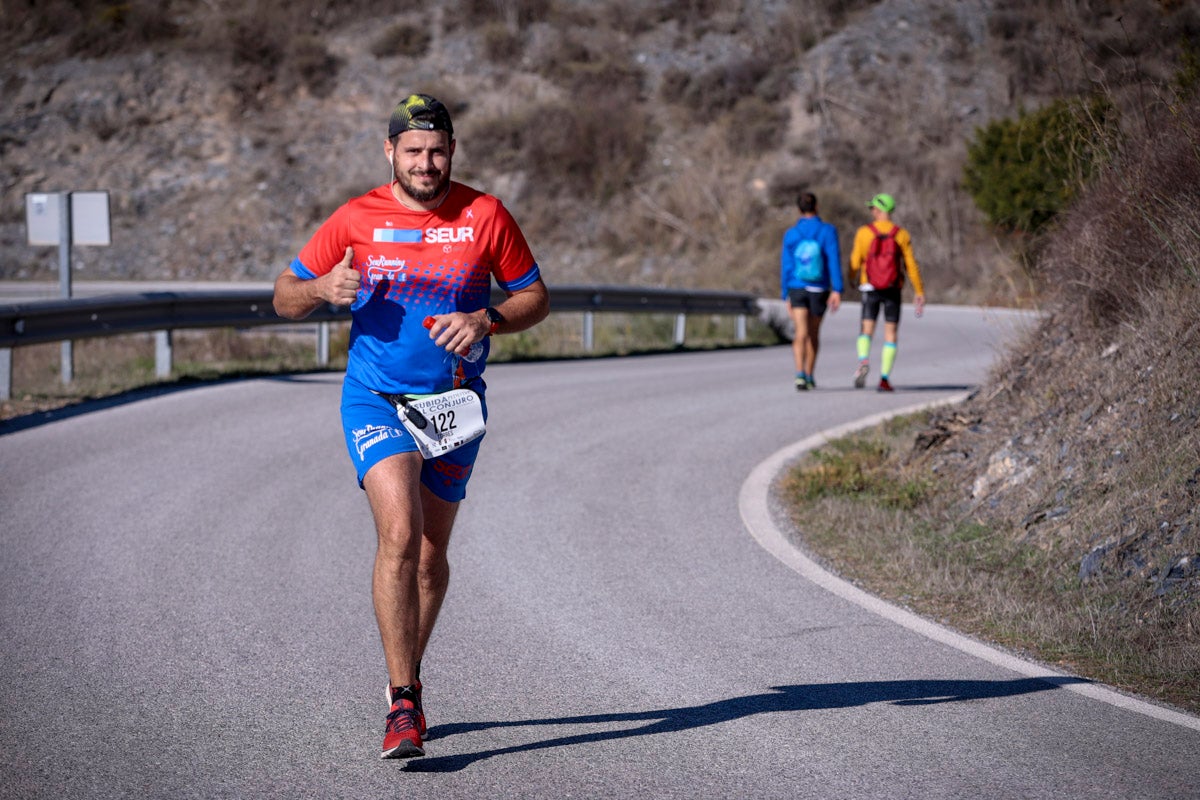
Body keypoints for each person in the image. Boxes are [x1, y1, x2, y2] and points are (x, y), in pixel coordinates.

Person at [272, 93, 550, 760]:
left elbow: (535, 295)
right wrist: (319, 291)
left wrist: (490, 319)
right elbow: (284, 294)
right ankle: (404, 703)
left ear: (452, 151)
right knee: (400, 532)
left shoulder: (485, 214)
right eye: (414, 151)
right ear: (389, 151)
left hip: (454, 404)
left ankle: (406, 677)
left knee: (430, 558)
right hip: (375, 397)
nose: (427, 163)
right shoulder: (356, 217)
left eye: (438, 150)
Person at [849, 193, 925, 392]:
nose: (872, 211)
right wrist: (919, 290)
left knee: (866, 329)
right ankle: (884, 379)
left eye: (873, 208)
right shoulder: (901, 234)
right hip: (893, 288)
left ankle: (863, 361)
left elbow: (855, 261)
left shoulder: (864, 232)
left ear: (879, 210)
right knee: (890, 334)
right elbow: (910, 265)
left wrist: (851, 278)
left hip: (870, 287)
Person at [779, 191, 842, 390]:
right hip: (819, 288)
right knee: (813, 334)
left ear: (798, 209)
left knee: (800, 333)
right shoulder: (827, 231)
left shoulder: (791, 234)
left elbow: (786, 265)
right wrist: (837, 289)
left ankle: (799, 374)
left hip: (796, 288)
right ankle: (809, 374)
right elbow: (833, 260)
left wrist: (785, 292)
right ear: (816, 207)